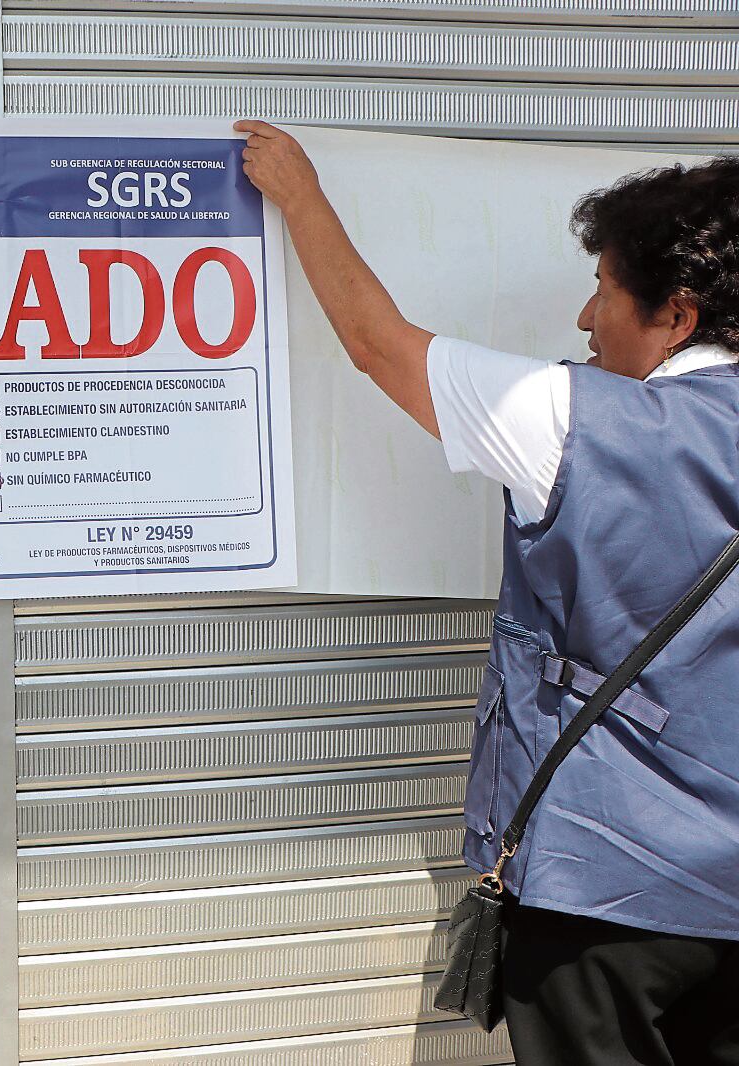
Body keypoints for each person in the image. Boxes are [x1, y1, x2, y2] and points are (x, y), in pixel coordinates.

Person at [235, 121, 739, 1063]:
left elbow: (380, 347)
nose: (587, 322)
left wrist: (299, 196)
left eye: (602, 293)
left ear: (677, 314)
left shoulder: (573, 419)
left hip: (606, 896)